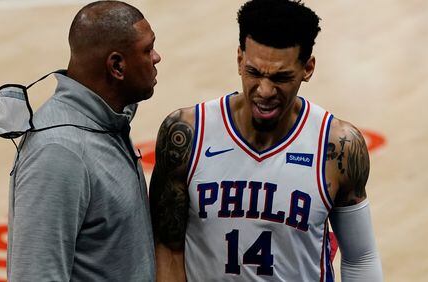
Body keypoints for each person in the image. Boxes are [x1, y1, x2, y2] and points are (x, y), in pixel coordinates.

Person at [149, 0, 382, 281]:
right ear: (239, 60)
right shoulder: (187, 134)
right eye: (254, 73)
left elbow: (361, 258)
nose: (265, 90)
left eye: (281, 77)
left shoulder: (338, 147)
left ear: (307, 68)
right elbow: (168, 249)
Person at [6, 1, 161, 280]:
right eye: (147, 50)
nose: (157, 57)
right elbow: (36, 274)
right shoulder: (58, 152)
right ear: (117, 66)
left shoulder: (106, 123)